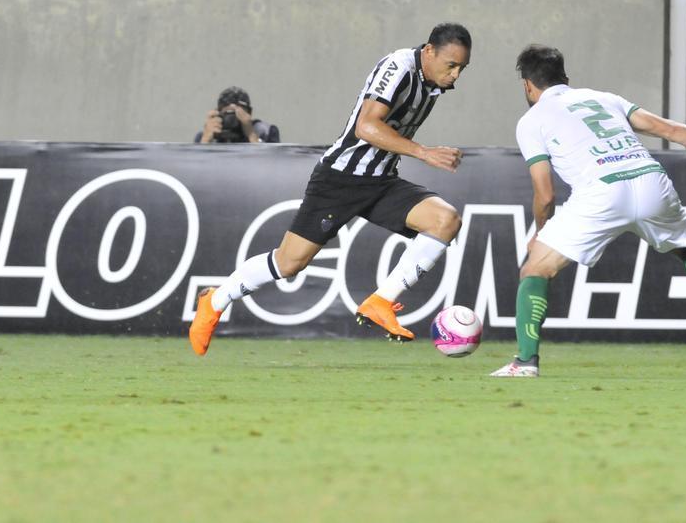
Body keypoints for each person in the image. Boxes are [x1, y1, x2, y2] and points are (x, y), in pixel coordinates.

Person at [189, 23, 473, 355]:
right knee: (289, 263)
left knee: (446, 220)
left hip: (381, 180)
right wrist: (424, 152)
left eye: (462, 68)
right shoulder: (398, 67)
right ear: (428, 51)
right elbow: (366, 126)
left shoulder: (433, 83)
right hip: (341, 178)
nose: (455, 75)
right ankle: (216, 300)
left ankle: (380, 301)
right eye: (450, 65)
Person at [490, 45, 686, 379]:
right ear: (566, 78)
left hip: (601, 192)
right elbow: (668, 129)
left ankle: (525, 363)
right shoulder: (604, 98)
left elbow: (545, 193)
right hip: (650, 180)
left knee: (535, 271)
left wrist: (540, 233)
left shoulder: (532, 120)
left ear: (527, 86)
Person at [195, 86, 280, 144]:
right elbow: (195, 167)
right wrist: (205, 140)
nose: (232, 118)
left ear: (249, 113)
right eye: (227, 113)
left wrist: (251, 135)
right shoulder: (206, 135)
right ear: (218, 113)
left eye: (238, 113)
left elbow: (271, 165)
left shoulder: (266, 131)